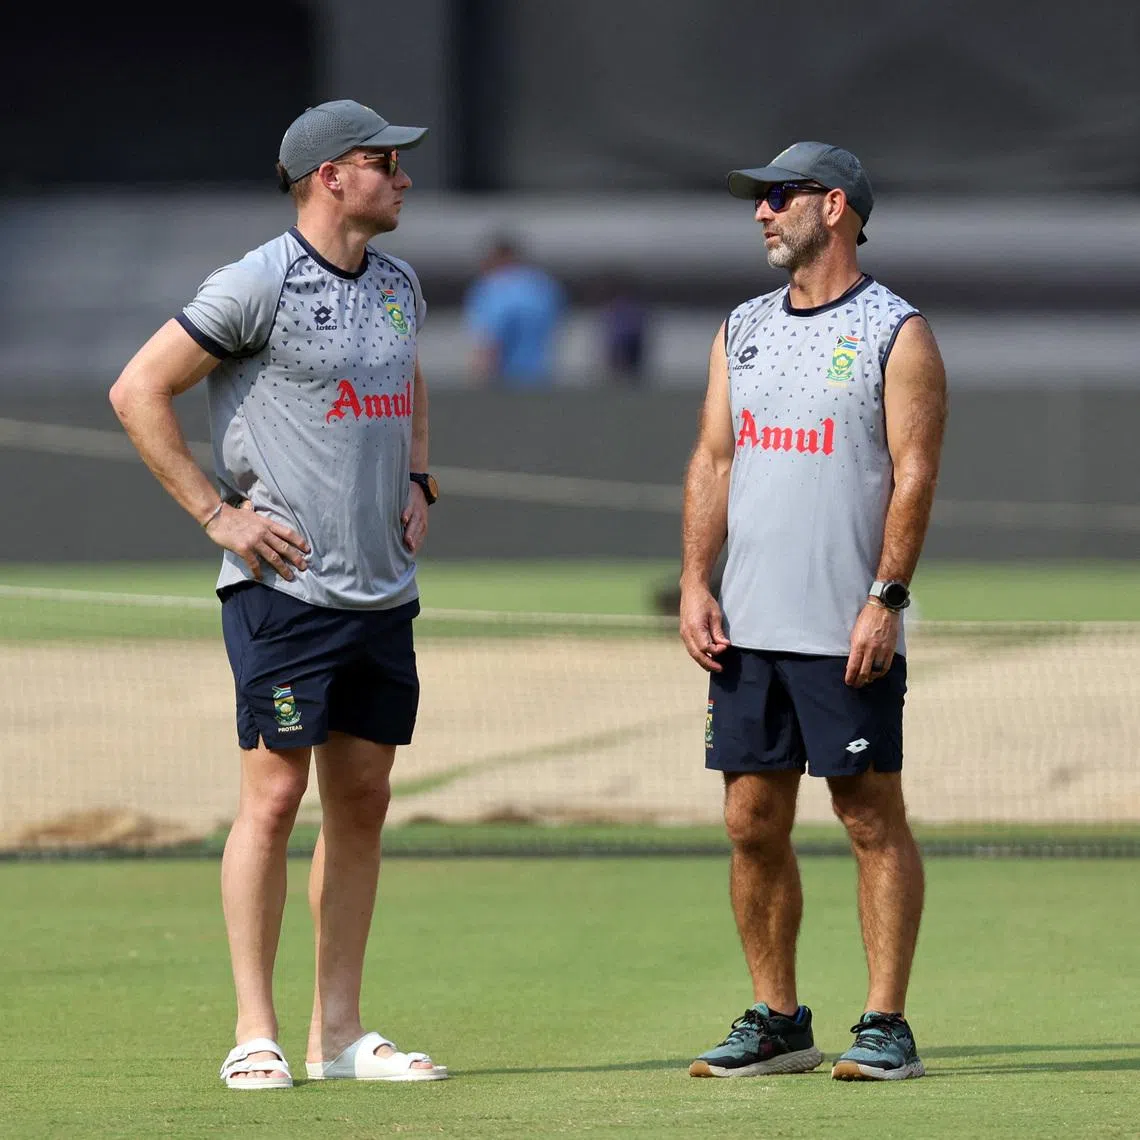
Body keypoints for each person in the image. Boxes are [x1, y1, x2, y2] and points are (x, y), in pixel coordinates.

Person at [109, 99, 448, 1089]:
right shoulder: (258, 280)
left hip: (383, 596)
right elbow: (139, 389)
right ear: (329, 176)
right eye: (386, 163)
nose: (404, 178)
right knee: (272, 800)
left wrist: (421, 475)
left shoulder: (398, 284)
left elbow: (410, 377)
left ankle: (337, 1037)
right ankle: (255, 1032)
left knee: (364, 801)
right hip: (286, 594)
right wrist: (220, 516)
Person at [679, 142, 947, 1082]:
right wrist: (693, 581)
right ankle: (779, 1017)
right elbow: (715, 459)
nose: (760, 212)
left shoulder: (895, 330)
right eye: (758, 199)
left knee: (870, 817)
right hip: (745, 630)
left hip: (846, 628)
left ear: (834, 207)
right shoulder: (741, 325)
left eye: (777, 196)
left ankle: (885, 1023)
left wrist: (887, 597)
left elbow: (914, 474)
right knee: (751, 821)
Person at [462, 234, 566, 388]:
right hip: (542, 380)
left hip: (505, 385)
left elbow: (488, 344)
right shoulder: (544, 286)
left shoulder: (492, 288)